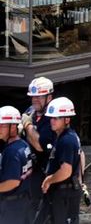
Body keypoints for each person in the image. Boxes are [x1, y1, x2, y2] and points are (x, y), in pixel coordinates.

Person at [41, 97, 82, 224]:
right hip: (63, 192)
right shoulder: (63, 136)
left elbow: (66, 171)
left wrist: (49, 180)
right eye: (51, 118)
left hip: (65, 194)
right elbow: (81, 156)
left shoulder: (67, 140)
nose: (52, 121)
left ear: (67, 119)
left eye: (56, 118)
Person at [21, 77, 57, 220]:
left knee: (42, 214)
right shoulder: (31, 111)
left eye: (39, 96)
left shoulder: (53, 117)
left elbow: (39, 146)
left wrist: (27, 126)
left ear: (49, 97)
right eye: (33, 96)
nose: (35, 99)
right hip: (29, 172)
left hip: (45, 172)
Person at [0, 105, 34, 224]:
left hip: (11, 208)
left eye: (3, 125)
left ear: (13, 126)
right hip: (23, 203)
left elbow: (13, 182)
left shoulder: (12, 152)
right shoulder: (23, 144)